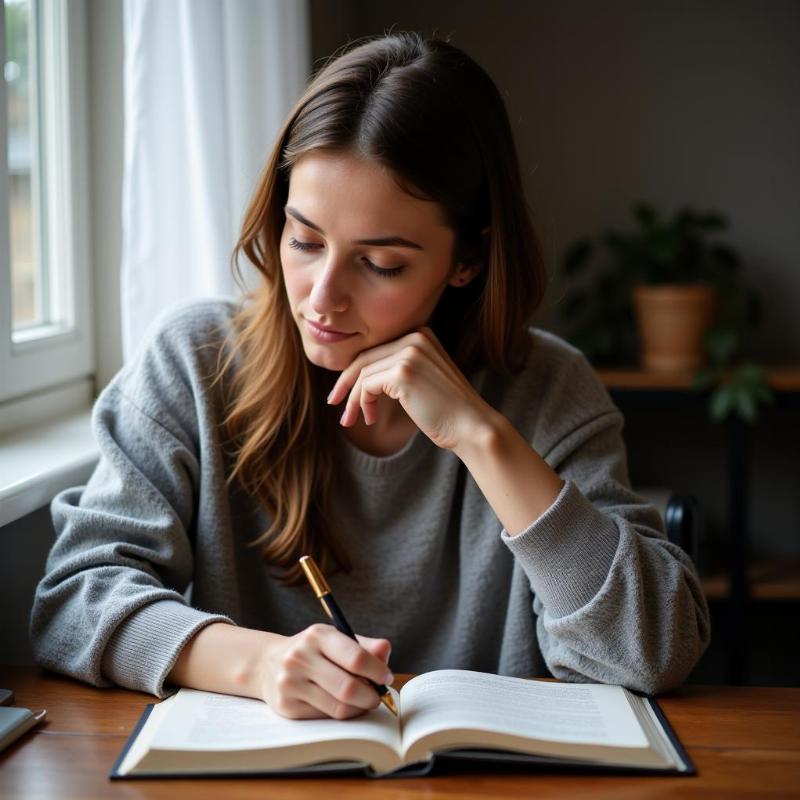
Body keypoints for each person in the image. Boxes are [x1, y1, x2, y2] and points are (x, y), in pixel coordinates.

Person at [30, 31, 710, 721]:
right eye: (304, 239)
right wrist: (259, 664)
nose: (322, 296)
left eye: (380, 263)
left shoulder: (549, 388)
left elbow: (649, 651)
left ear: (466, 259)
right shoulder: (193, 361)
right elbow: (75, 600)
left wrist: (482, 436)